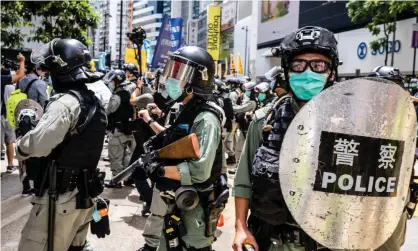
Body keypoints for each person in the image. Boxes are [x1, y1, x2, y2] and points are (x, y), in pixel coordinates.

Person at [232, 26, 340, 251]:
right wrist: (240, 227)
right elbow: (243, 182)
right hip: (270, 241)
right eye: (299, 65)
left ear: (331, 72)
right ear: (287, 70)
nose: (308, 73)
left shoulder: (351, 125)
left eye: (318, 65)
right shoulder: (264, 121)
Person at [16, 38, 107, 251]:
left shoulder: (65, 103)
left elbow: (39, 144)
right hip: (84, 196)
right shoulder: (94, 102)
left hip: (60, 198)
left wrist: (22, 144)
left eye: (49, 72)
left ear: (60, 71)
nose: (48, 77)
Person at [135, 46, 225, 251]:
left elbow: (200, 170)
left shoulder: (207, 118)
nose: (172, 79)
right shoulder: (185, 110)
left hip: (195, 210)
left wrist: (159, 170)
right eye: (173, 71)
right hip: (175, 204)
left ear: (197, 80)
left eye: (179, 73)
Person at [105, 69, 136, 188]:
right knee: (126, 156)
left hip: (117, 132)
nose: (110, 83)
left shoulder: (116, 97)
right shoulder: (128, 95)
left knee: (116, 157)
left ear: (116, 82)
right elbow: (133, 112)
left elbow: (108, 111)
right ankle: (128, 179)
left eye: (112, 81)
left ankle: (116, 181)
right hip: (127, 130)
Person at [1, 53, 26, 174]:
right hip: (8, 116)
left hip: (4, 116)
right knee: (9, 141)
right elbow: (20, 75)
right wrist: (22, 61)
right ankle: (10, 164)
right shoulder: (8, 84)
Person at [224, 78, 243, 165]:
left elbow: (231, 108)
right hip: (236, 119)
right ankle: (234, 155)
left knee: (229, 138)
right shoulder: (238, 92)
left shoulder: (232, 94)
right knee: (234, 137)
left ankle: (231, 156)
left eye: (230, 84)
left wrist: (229, 119)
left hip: (232, 119)